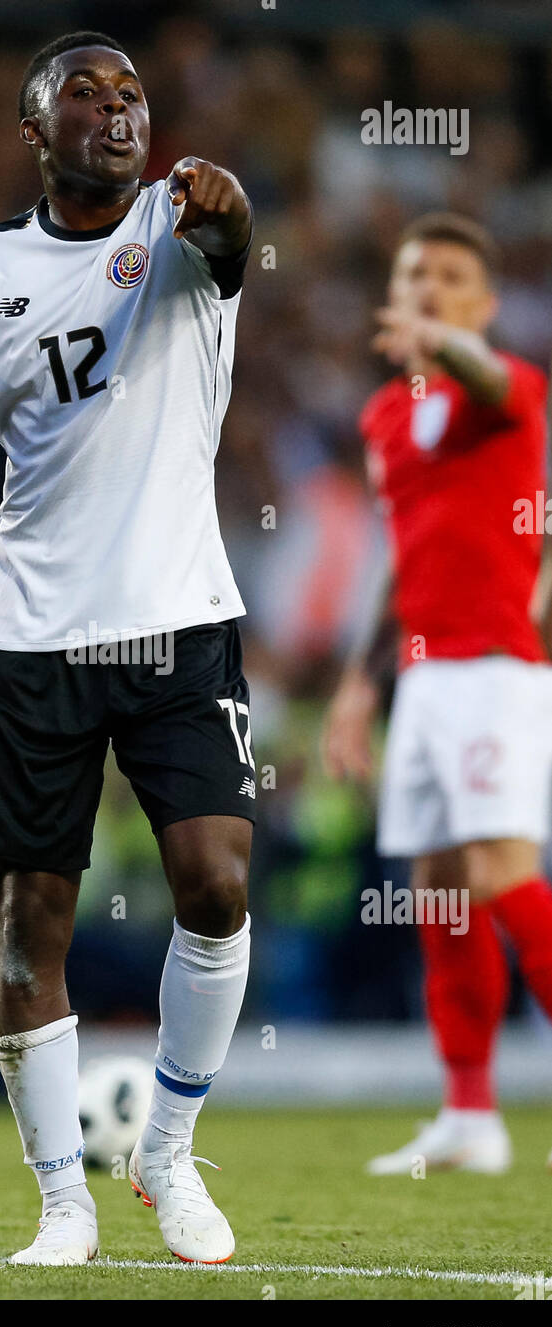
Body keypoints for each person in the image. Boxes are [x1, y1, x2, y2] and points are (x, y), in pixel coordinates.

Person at [0, 32, 256, 1263]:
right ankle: (64, 1201)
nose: (116, 111)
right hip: (31, 628)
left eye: (132, 96)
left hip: (178, 617)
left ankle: (165, 1151)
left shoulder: (179, 226)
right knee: (29, 926)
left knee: (217, 880)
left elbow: (231, 241)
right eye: (86, 94)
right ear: (33, 128)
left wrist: (228, 203)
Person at [323, 212, 552, 1174]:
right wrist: (351, 691)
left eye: (450, 277)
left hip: (495, 666)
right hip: (418, 677)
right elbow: (398, 559)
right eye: (414, 273)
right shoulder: (384, 416)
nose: (427, 286)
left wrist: (446, 346)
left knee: (503, 869)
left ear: (481, 304)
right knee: (439, 891)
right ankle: (469, 1114)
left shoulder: (508, 389)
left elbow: (490, 375)